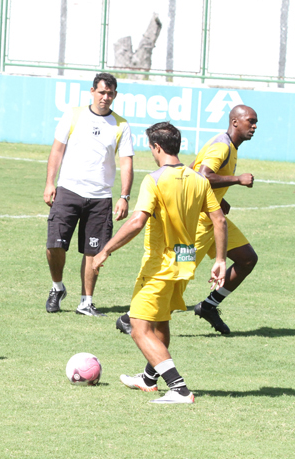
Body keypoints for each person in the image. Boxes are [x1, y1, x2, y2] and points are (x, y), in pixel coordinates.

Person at [93, 122, 227, 404]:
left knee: (139, 328)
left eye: (151, 148)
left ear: (156, 147)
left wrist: (106, 250)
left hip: (160, 265)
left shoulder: (154, 179)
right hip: (185, 262)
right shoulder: (198, 180)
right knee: (161, 321)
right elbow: (219, 220)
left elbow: (137, 221)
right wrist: (220, 260)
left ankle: (179, 389)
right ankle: (148, 378)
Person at [116, 105, 257, 335]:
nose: (254, 126)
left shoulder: (228, 145)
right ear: (235, 122)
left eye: (255, 122)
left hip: (214, 219)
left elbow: (191, 170)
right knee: (176, 282)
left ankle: (209, 306)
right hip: (199, 224)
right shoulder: (222, 146)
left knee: (247, 259)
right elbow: (203, 175)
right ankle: (130, 317)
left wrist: (216, 200)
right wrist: (237, 179)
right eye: (250, 121)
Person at [44, 72, 134, 316]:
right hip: (68, 191)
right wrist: (50, 182)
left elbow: (126, 163)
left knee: (93, 252)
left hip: (100, 198)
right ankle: (57, 287)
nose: (106, 97)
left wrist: (124, 196)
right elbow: (57, 150)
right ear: (92, 91)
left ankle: (86, 302)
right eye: (102, 92)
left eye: (110, 94)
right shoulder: (73, 115)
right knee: (55, 245)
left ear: (115, 95)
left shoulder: (121, 125)